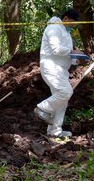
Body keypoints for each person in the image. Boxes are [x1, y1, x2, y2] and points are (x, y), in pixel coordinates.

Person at [34, 8, 84, 138]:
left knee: (62, 100)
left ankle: (55, 131)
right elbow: (57, 50)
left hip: (60, 69)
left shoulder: (65, 32)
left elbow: (66, 54)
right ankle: (42, 108)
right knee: (66, 92)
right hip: (51, 67)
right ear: (66, 18)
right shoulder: (54, 28)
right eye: (72, 22)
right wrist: (73, 52)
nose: (73, 25)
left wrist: (76, 60)